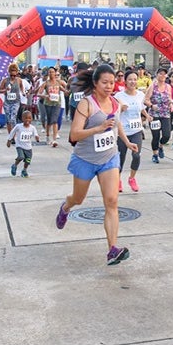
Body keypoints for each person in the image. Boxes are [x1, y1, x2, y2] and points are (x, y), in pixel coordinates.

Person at [55, 63, 138, 266]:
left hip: (109, 157)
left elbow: (116, 123)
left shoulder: (115, 103)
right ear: (95, 83)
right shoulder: (86, 104)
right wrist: (98, 128)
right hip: (85, 159)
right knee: (78, 198)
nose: (109, 86)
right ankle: (65, 208)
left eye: (112, 82)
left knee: (112, 201)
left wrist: (126, 142)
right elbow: (74, 134)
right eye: (105, 83)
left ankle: (112, 249)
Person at [114, 69, 148, 193]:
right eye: (130, 79)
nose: (133, 82)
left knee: (136, 155)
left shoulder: (140, 95)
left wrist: (147, 116)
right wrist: (121, 109)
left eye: (135, 79)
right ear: (125, 81)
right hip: (123, 132)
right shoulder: (119, 96)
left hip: (137, 130)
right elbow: (114, 112)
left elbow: (141, 108)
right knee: (121, 157)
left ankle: (132, 178)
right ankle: (117, 180)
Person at [144, 68, 173, 163]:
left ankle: (161, 145)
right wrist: (151, 106)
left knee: (166, 135)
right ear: (157, 75)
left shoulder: (168, 87)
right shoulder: (153, 86)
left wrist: (171, 104)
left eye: (164, 74)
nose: (163, 76)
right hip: (154, 114)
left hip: (165, 113)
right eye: (161, 74)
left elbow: (169, 99)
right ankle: (155, 154)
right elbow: (146, 100)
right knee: (155, 136)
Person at [38, 67, 67, 147]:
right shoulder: (45, 83)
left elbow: (65, 90)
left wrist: (69, 90)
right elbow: (38, 94)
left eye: (53, 72)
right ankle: (47, 136)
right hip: (48, 104)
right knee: (49, 121)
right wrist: (45, 96)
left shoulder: (58, 83)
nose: (51, 74)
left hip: (57, 104)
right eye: (50, 72)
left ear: (55, 73)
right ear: (48, 74)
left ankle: (54, 140)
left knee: (55, 121)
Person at [6, 110, 40, 177]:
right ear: (22, 119)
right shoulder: (18, 126)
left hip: (28, 147)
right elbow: (12, 132)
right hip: (20, 146)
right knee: (21, 157)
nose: (28, 120)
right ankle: (14, 165)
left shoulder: (32, 128)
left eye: (29, 118)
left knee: (28, 160)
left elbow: (35, 134)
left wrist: (37, 137)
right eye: (26, 118)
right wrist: (9, 140)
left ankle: (24, 170)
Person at [0, 63, 24, 133]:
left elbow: (21, 87)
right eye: (11, 75)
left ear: (17, 73)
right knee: (8, 120)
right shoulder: (5, 80)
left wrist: (23, 92)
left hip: (16, 102)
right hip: (7, 102)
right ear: (9, 73)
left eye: (14, 75)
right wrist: (5, 90)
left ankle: (14, 135)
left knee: (13, 118)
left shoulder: (19, 80)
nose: (13, 77)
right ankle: (10, 135)